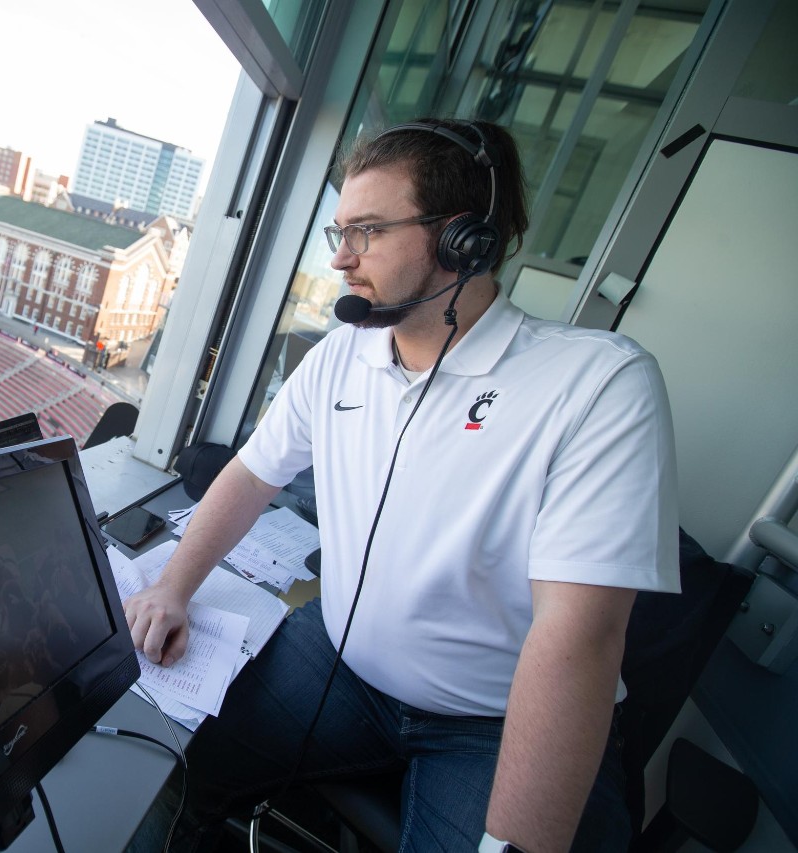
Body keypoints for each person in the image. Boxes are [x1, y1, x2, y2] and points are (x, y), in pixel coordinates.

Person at [124, 118, 679, 853]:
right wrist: (172, 586)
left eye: (369, 232)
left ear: (463, 241)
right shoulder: (340, 357)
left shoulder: (600, 383)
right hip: (340, 660)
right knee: (164, 761)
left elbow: (579, 634)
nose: (343, 261)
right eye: (338, 233)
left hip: (491, 720)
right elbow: (252, 475)